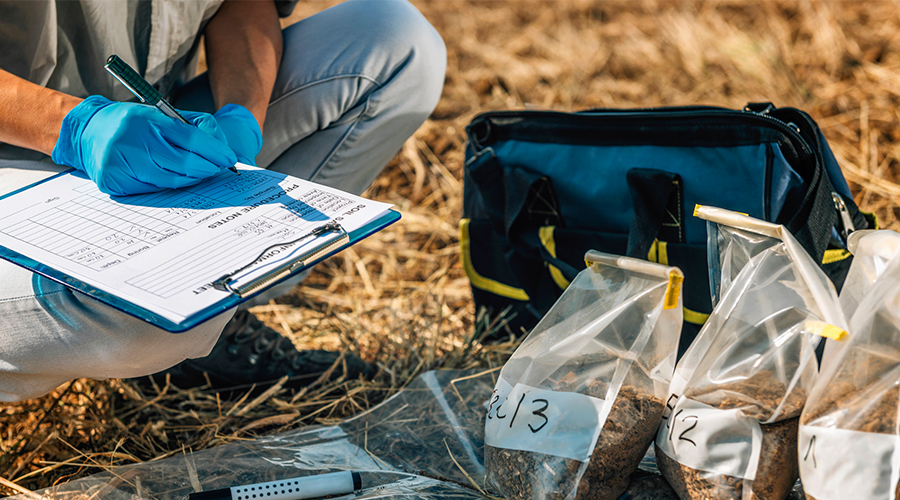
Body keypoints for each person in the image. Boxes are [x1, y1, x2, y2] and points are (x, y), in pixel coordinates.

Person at [0, 0, 446, 401]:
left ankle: (209, 335)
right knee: (156, 310)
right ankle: (175, 335)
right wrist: (70, 127)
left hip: (161, 135)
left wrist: (243, 111)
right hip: (14, 161)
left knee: (393, 39)